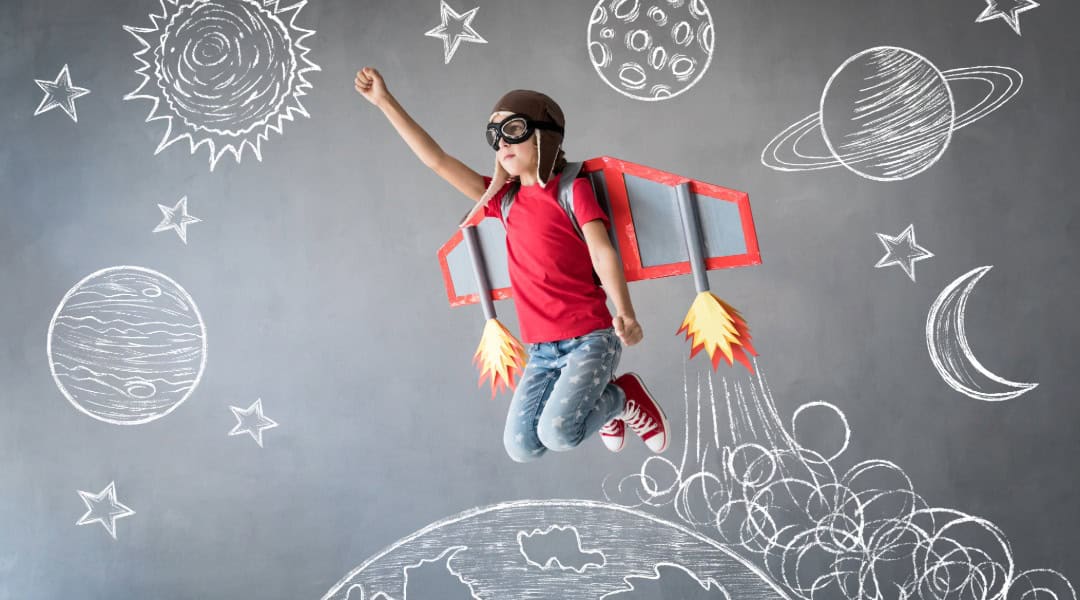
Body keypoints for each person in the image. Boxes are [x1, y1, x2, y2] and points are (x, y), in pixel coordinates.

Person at [354, 66, 669, 462]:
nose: (501, 143)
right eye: (494, 136)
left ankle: (621, 398)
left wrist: (625, 313)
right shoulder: (503, 201)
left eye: (513, 130)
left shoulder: (572, 188)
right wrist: (385, 102)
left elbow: (602, 251)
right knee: (522, 447)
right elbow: (436, 161)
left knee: (560, 434)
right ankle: (603, 400)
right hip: (540, 349)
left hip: (589, 339)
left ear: (544, 135)